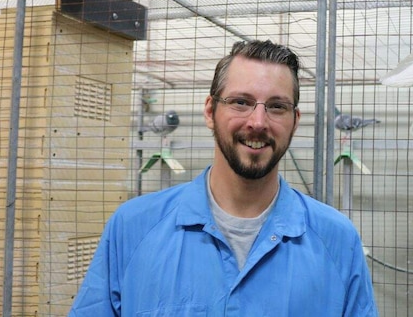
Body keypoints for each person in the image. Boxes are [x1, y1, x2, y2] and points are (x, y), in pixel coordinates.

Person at [70, 39, 378, 316]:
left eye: (277, 107)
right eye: (241, 102)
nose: (258, 122)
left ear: (294, 122)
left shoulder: (337, 241)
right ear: (209, 111)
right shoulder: (133, 229)